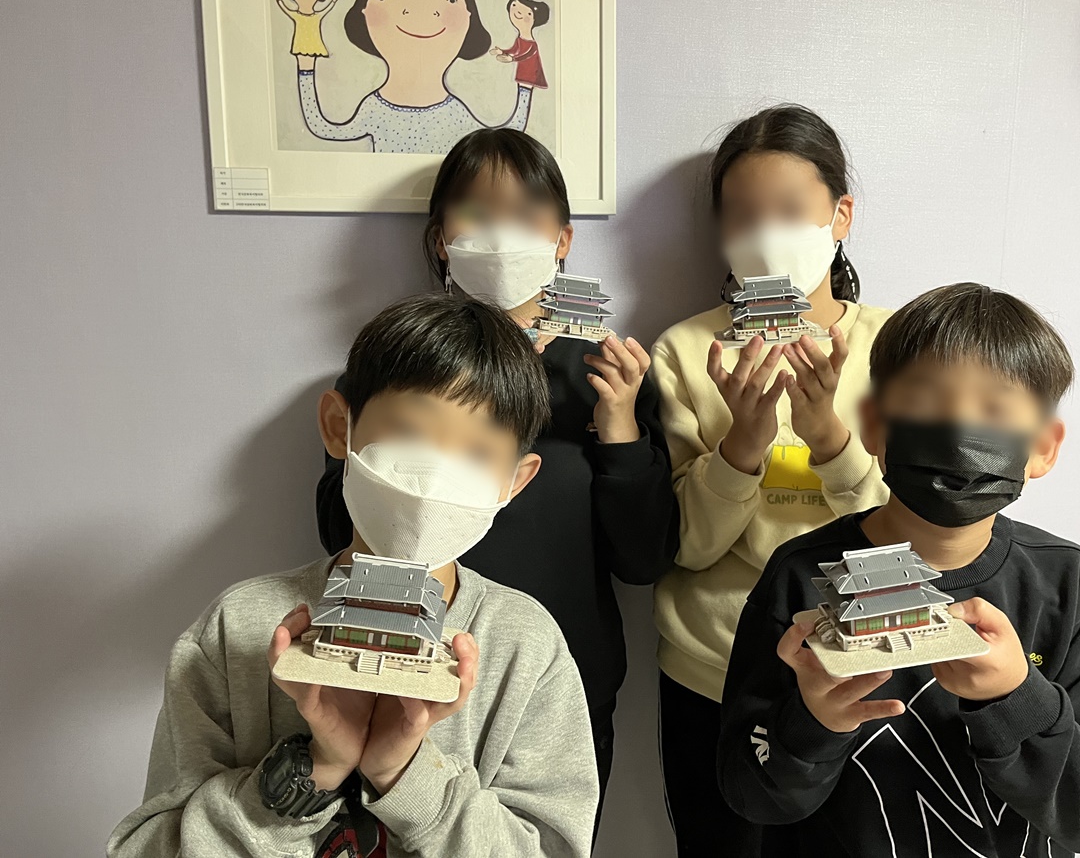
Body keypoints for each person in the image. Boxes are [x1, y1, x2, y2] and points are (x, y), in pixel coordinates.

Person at [108, 294, 599, 858]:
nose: (435, 477)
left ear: (515, 481)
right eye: (410, 434)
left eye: (477, 453)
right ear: (339, 427)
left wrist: (404, 773)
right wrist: (311, 770)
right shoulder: (236, 626)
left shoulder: (525, 647)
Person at [317, 128, 680, 833]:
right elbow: (338, 532)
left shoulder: (607, 374)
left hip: (561, 681)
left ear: (563, 240)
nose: (501, 231)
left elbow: (644, 559)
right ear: (441, 239)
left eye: (526, 212)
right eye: (476, 212)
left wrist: (620, 429)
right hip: (398, 669)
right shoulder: (392, 366)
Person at [717, 283, 1080, 857]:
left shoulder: (1068, 585)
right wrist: (812, 722)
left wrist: (1017, 696)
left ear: (1042, 447)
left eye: (995, 410)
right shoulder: (801, 576)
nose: (958, 429)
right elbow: (748, 795)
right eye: (925, 402)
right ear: (875, 427)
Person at [651, 105, 891, 856]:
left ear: (840, 215)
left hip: (865, 661)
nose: (766, 234)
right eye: (743, 216)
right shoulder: (687, 350)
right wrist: (743, 447)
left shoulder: (897, 346)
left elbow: (917, 537)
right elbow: (688, 547)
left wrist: (830, 441)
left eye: (790, 212)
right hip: (716, 669)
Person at [294, 0, 532, 154]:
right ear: (363, 15)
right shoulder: (374, 108)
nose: (416, 13)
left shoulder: (454, 114)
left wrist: (527, 79)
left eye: (451, 0)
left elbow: (508, 133)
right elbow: (323, 128)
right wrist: (306, 69)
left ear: (470, 20)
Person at [271, 0, 344, 62]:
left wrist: (334, 0)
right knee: (303, 65)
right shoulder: (296, 15)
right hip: (300, 44)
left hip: (314, 43)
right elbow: (285, 9)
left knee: (309, 65)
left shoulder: (317, 16)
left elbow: (327, 9)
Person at [491, 0, 550, 90]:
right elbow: (514, 50)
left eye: (529, 13)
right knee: (521, 92)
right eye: (514, 5)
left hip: (530, 76)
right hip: (522, 74)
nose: (518, 13)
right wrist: (502, 51)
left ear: (534, 20)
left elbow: (525, 55)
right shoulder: (520, 39)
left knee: (524, 94)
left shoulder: (532, 44)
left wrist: (512, 59)